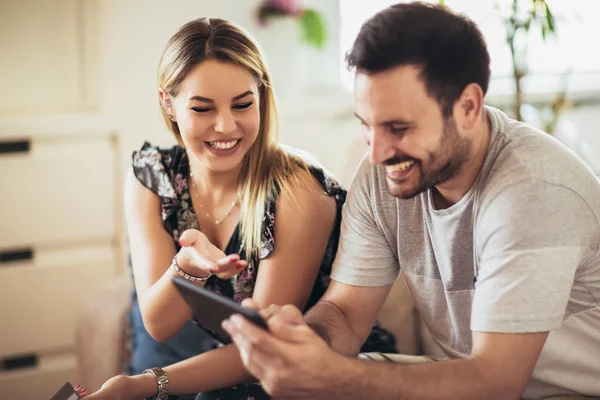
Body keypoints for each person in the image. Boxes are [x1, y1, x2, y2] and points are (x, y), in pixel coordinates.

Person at [221, 2, 600, 400]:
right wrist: (305, 342)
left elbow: (497, 382)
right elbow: (347, 314)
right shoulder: (382, 173)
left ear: (468, 107)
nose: (379, 152)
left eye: (398, 128)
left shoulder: (535, 190)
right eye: (366, 125)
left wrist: (334, 377)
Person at [76, 16, 395, 400]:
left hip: (294, 373)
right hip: (194, 369)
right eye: (203, 109)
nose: (226, 126)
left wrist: (145, 384)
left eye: (243, 104)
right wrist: (187, 268)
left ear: (262, 95)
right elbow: (158, 325)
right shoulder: (151, 176)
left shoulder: (298, 191)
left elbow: (261, 348)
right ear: (169, 104)